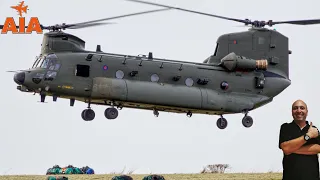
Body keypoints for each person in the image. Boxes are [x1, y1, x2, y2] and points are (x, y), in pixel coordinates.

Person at [279, 99, 320, 180]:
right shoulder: (286, 127)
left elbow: (318, 148)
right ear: (291, 112)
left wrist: (291, 148)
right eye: (295, 108)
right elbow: (285, 148)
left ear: (307, 112)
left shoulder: (314, 129)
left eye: (302, 108)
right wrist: (308, 136)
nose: (299, 110)